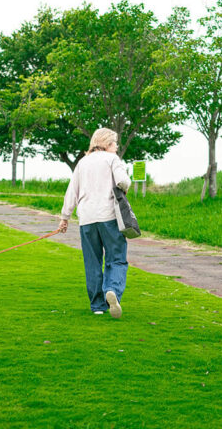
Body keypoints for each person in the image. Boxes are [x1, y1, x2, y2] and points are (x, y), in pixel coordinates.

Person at [58, 128, 132, 318]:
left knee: (92, 262)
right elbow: (124, 181)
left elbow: (71, 191)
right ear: (107, 144)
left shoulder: (82, 163)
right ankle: (113, 290)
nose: (116, 147)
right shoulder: (112, 159)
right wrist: (122, 190)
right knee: (116, 258)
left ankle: (97, 305)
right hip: (108, 216)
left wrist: (64, 217)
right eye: (115, 143)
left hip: (87, 219)